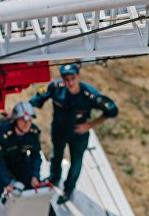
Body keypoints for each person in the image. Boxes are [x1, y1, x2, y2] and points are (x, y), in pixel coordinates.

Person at [30, 63, 119, 204]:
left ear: (78, 76)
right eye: (66, 79)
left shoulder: (89, 94)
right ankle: (54, 178)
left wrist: (90, 124)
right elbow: (36, 100)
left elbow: (112, 110)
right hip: (59, 129)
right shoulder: (55, 88)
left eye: (73, 78)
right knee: (56, 155)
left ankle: (68, 189)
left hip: (78, 133)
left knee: (76, 163)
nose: (70, 82)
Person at [0, 101, 42, 216]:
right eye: (23, 120)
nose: (26, 124)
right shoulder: (2, 134)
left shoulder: (33, 132)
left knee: (29, 183)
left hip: (18, 158)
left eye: (29, 120)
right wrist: (6, 182)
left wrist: (35, 175)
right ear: (15, 120)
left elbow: (36, 155)